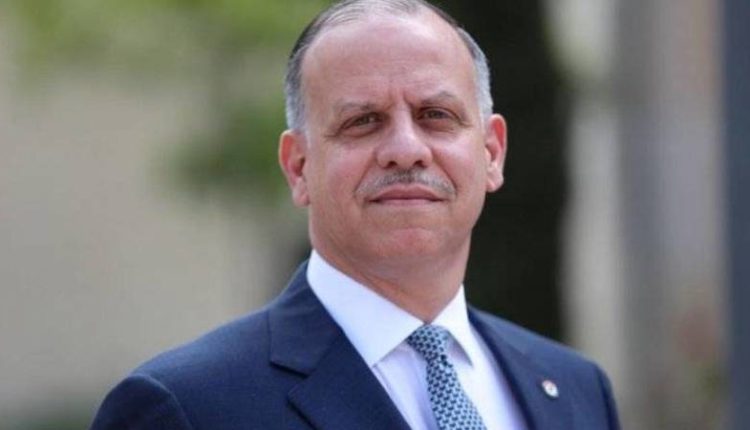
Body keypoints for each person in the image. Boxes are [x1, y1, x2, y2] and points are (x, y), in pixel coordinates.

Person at [91, 0, 621, 429]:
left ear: (491, 153)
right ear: (298, 167)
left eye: (436, 115)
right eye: (363, 121)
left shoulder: (575, 389)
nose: (406, 149)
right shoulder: (186, 409)